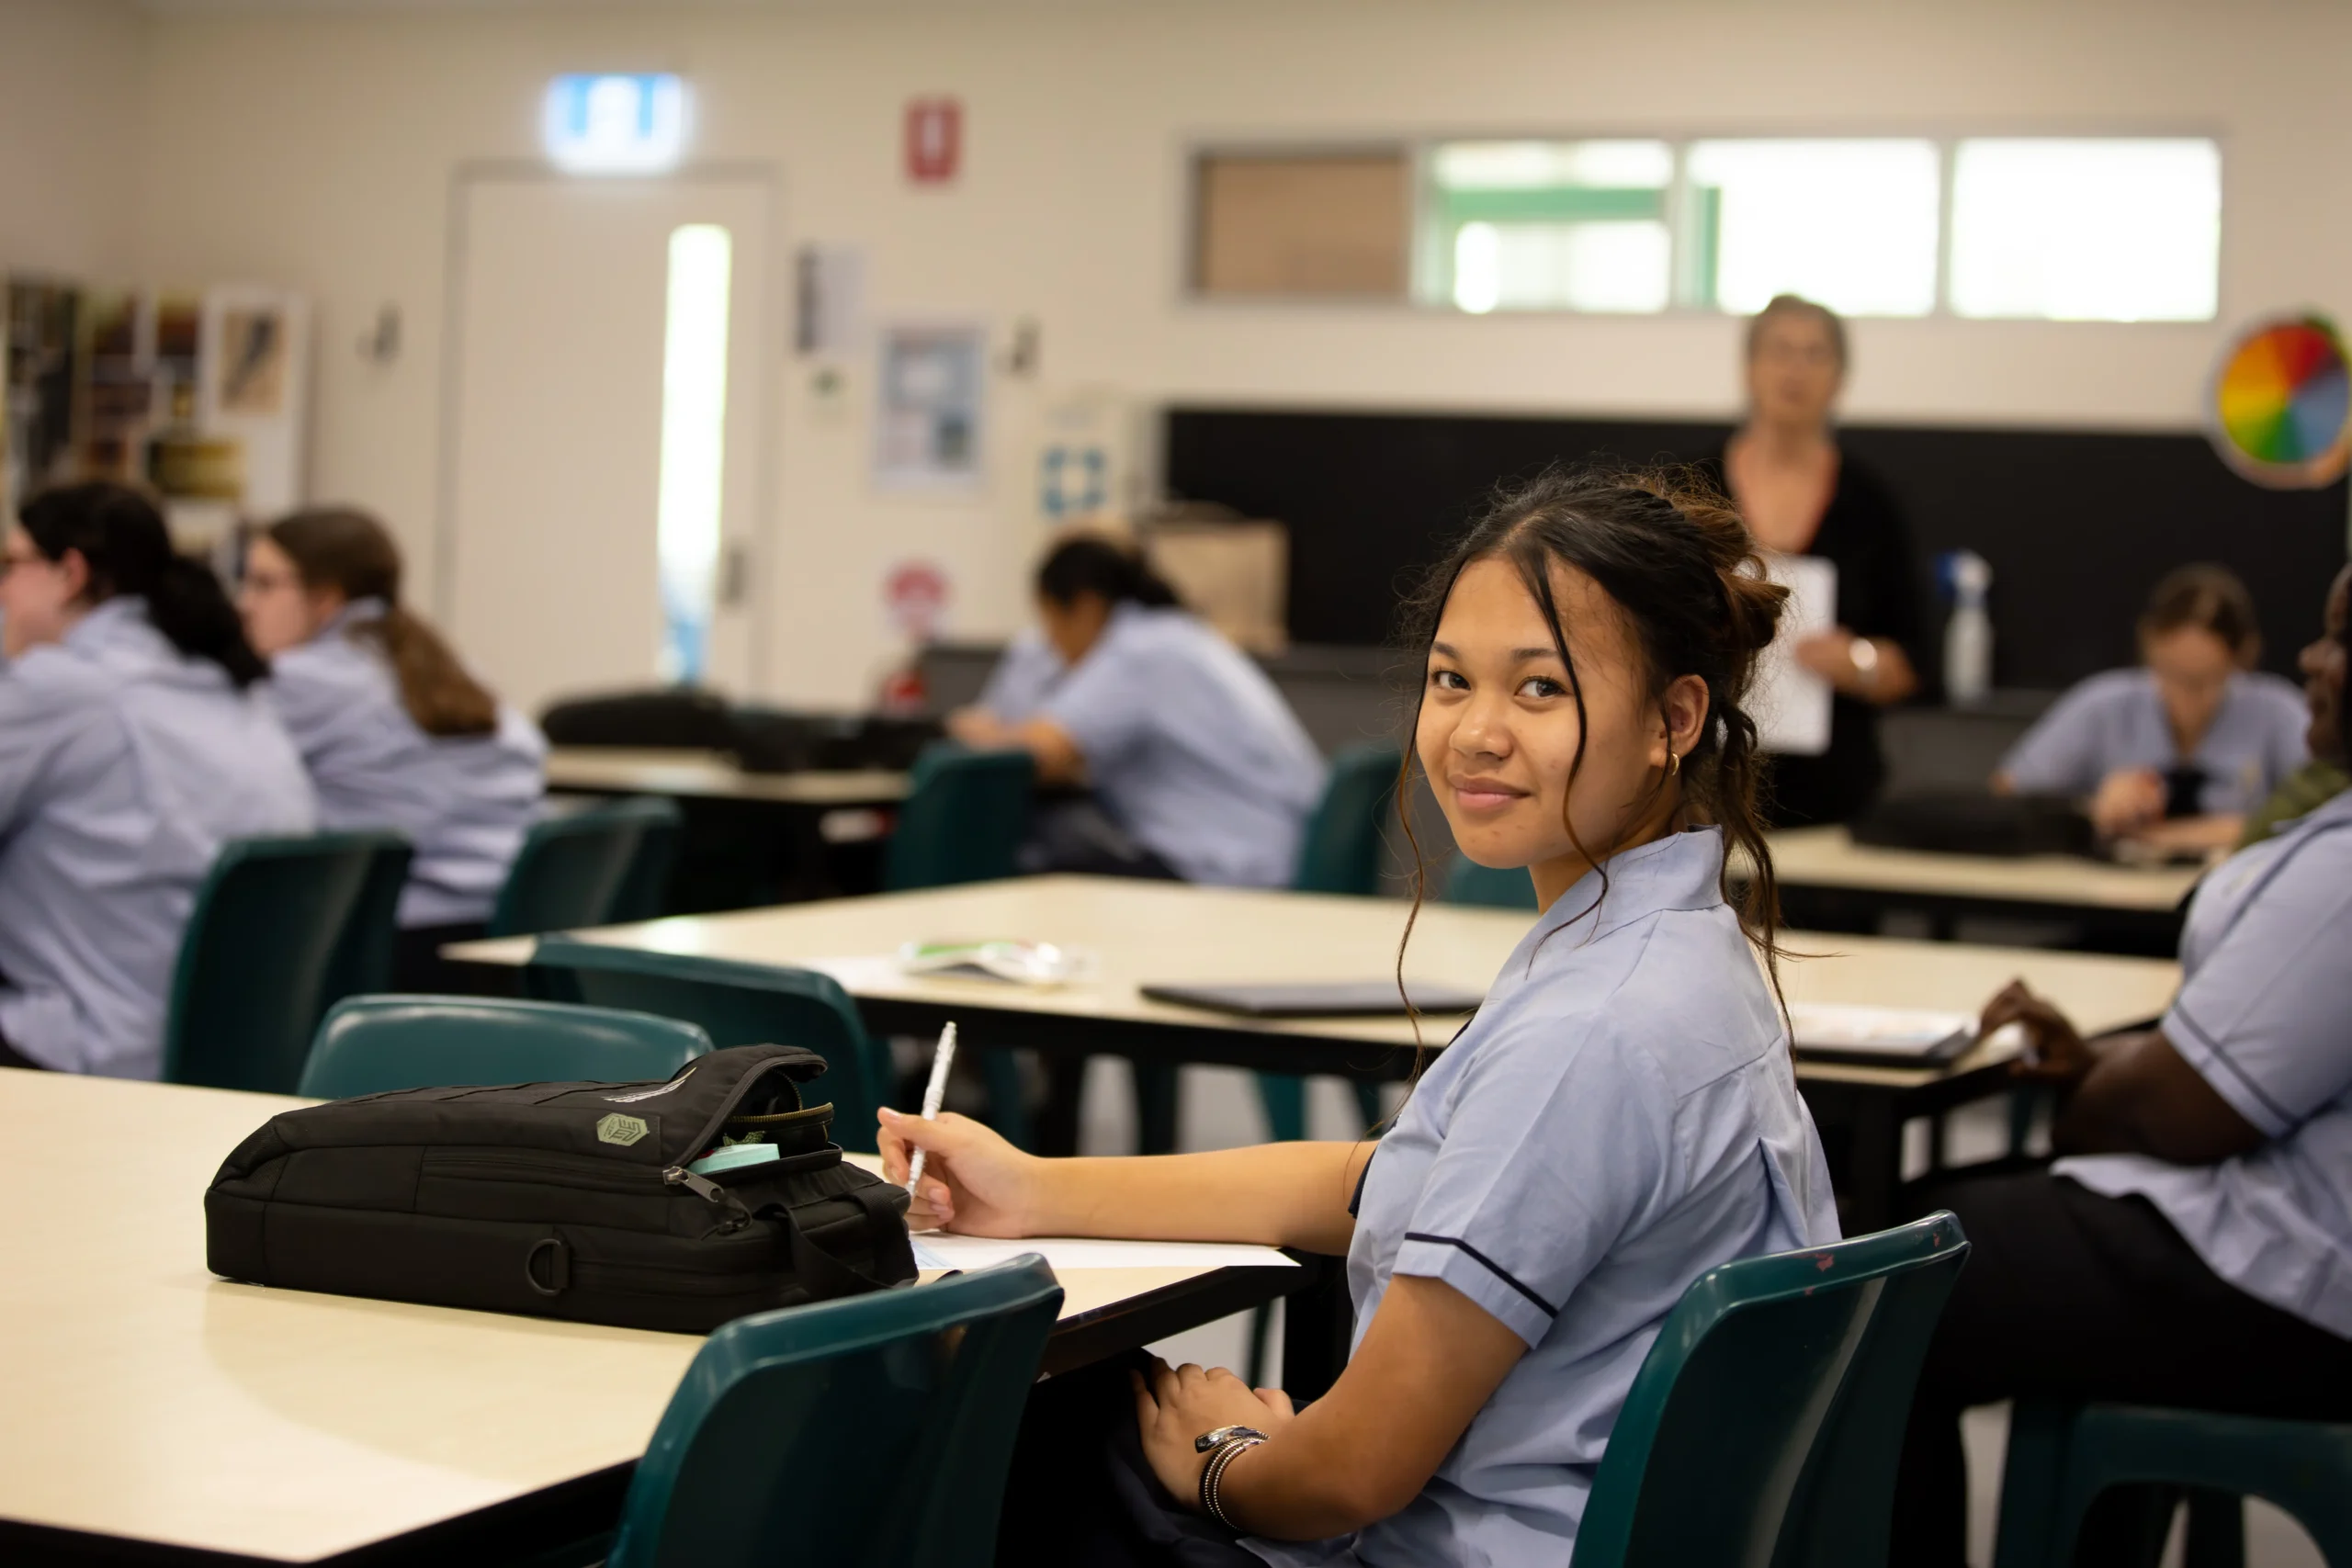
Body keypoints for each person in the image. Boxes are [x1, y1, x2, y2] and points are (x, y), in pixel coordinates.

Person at [890, 468, 1837, 1567]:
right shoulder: (1671, 955)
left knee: (965, 1438)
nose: (1476, 731)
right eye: (1450, 680)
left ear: (1673, 718)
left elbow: (1351, 1471)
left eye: (1540, 690)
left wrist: (1226, 1460)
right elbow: (1368, 1182)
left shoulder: (1591, 1033)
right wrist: (1038, 1186)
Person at [1894, 561, 2352, 1567]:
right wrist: (2107, 1061)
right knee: (1944, 1220)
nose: (2317, 659)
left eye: (2339, 639)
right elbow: (2268, 1051)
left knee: (1885, 1281)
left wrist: (2093, 1101)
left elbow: (2173, 1119)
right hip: (2291, 1225)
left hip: (2296, 1274)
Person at [0, 483, 315, 1077]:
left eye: (11, 565)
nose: (2, 589)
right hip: (228, 1047)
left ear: (69, 572)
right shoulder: (224, 680)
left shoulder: (67, 688)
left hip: (88, 1043)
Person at [239, 508, 546, 990]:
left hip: (395, 952)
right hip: (496, 937)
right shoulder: (447, 666)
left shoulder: (305, 680)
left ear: (324, 597)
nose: (244, 603)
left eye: (263, 583)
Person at [947, 536, 1323, 887]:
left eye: (1051, 623)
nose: (1051, 645)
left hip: (1222, 868)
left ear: (1086, 608)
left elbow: (1042, 755)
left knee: (1036, 882)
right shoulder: (1177, 635)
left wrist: (971, 732)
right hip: (1277, 852)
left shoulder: (1136, 652)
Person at [1709, 294, 1925, 828]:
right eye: (1780, 351)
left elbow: (1915, 663)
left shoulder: (1870, 504)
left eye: (1815, 354)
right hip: (1702, 785)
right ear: (1748, 368)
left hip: (1834, 796)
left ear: (1840, 378)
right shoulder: (1696, 491)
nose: (1796, 370)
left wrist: (1859, 663)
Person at [1996, 563, 2312, 855]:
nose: (2185, 699)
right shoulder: (2105, 703)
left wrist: (2183, 835)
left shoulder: (2277, 710)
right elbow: (2009, 790)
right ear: (2149, 645)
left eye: (2203, 681)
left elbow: (2324, 812)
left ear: (2242, 657)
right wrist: (2092, 808)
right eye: (2172, 675)